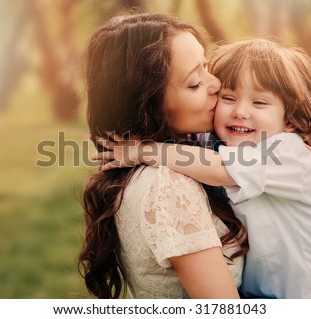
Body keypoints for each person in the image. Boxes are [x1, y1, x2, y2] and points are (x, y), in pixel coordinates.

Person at [97, 38, 311, 298]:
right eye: (228, 98)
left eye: (259, 103)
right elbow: (192, 147)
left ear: (291, 119)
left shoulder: (286, 151)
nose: (240, 111)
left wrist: (146, 150)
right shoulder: (223, 142)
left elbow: (217, 168)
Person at [78, 12, 248, 299]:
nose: (216, 84)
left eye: (206, 66)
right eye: (194, 82)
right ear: (147, 105)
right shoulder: (167, 186)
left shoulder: (157, 164)